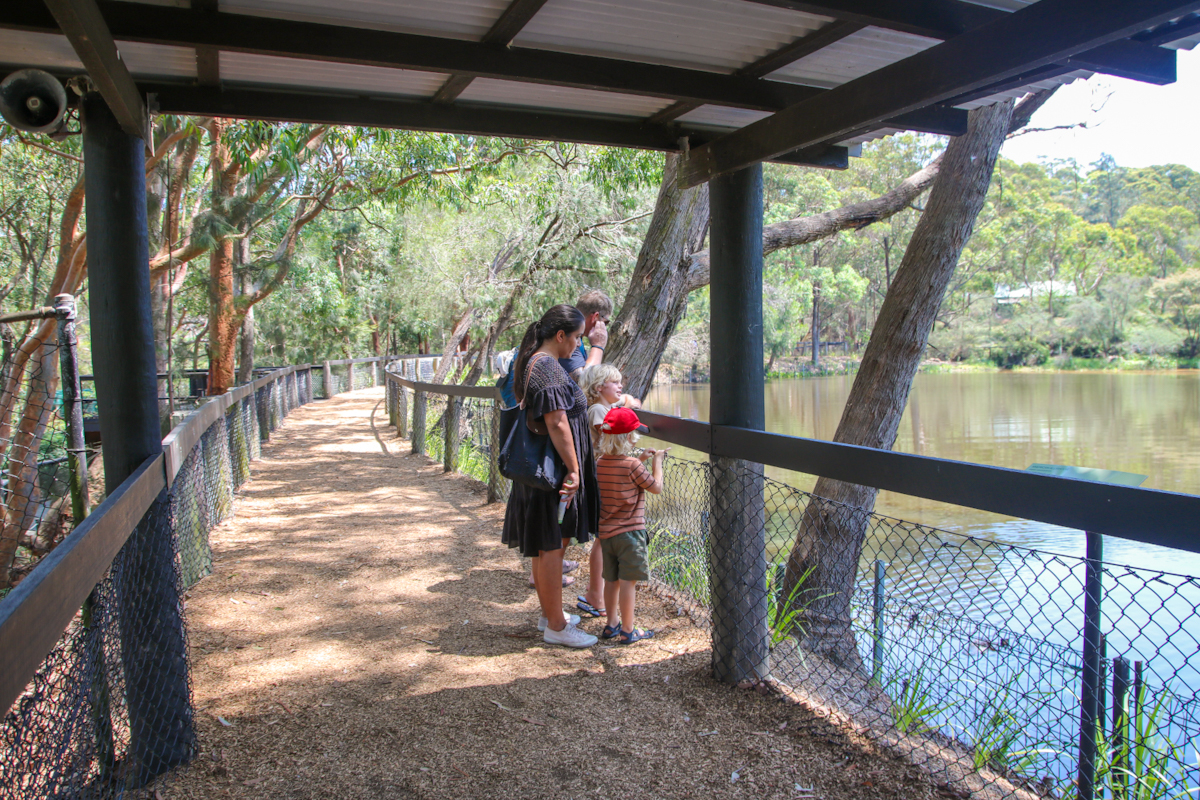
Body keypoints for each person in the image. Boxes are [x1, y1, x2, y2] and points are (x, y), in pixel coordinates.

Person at [502, 305, 600, 648]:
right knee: (552, 547)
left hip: (543, 473)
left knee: (549, 545)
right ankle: (557, 627)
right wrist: (574, 470)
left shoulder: (536, 362)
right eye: (575, 338)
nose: (577, 345)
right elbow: (557, 423)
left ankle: (550, 614)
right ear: (560, 335)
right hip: (552, 473)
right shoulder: (545, 368)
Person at [594, 407, 665, 644]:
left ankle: (611, 624)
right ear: (628, 438)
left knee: (611, 580)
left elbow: (621, 476)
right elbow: (655, 487)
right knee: (628, 583)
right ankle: (628, 629)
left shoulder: (601, 462)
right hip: (630, 534)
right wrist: (657, 462)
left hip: (607, 534)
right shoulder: (632, 465)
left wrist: (640, 459)